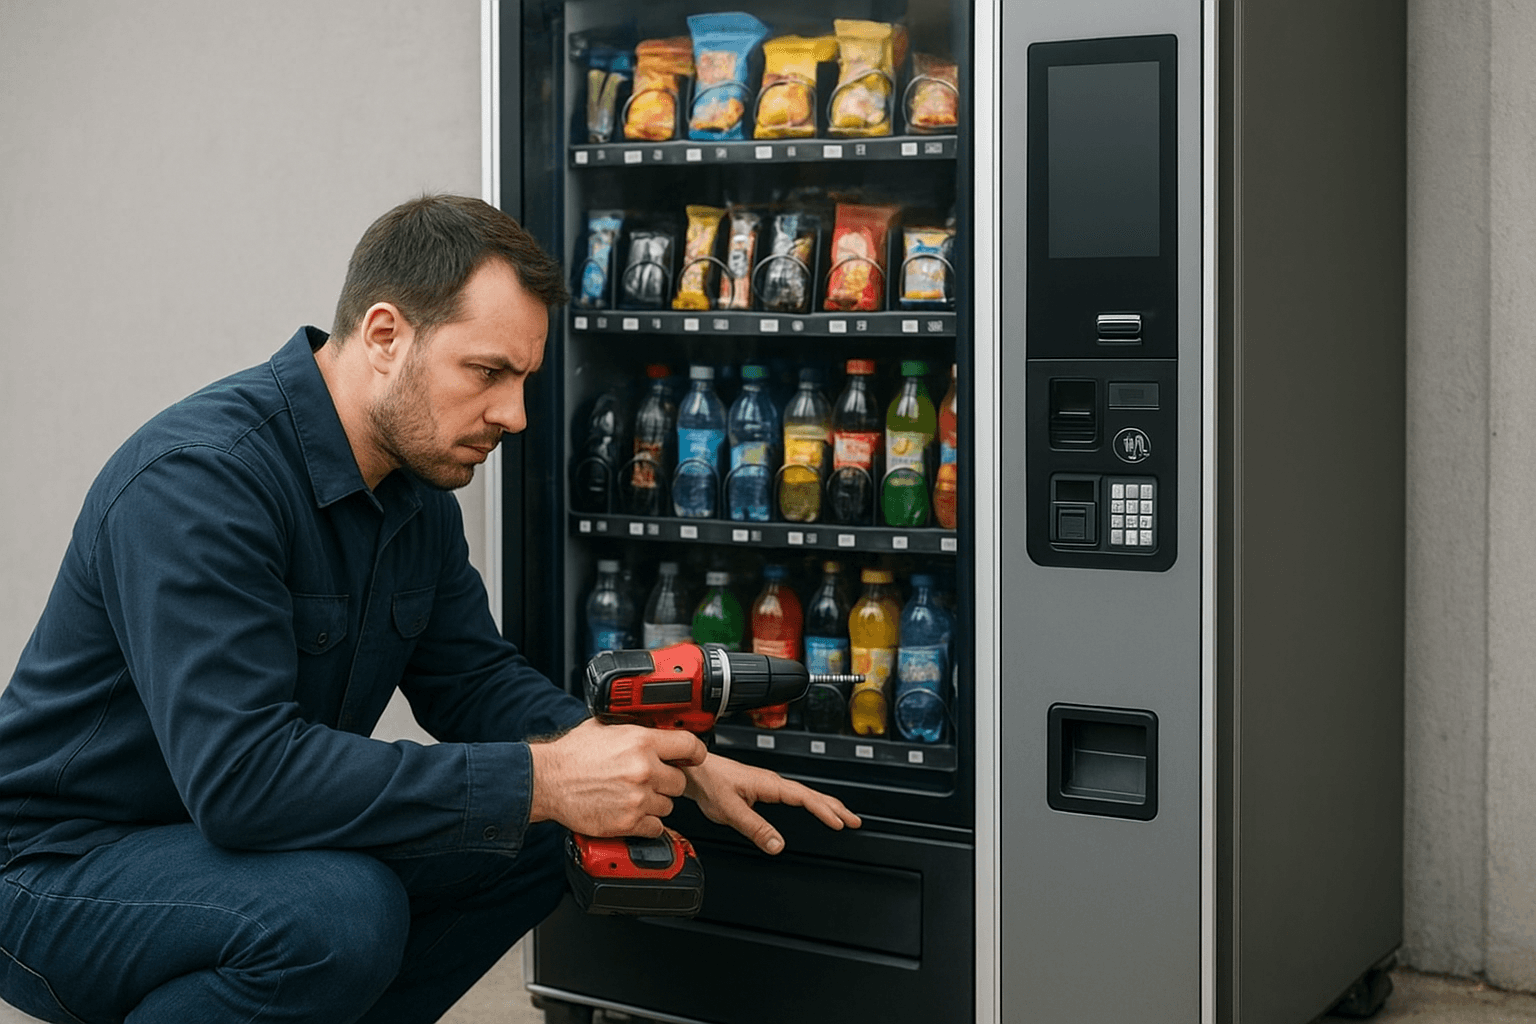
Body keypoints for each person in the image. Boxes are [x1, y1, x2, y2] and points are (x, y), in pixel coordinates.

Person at [0, 194, 860, 1024]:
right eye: (486, 372)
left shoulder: (413, 493)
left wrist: (653, 759)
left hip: (225, 849)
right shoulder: (199, 484)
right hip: (60, 866)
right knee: (336, 912)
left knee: (542, 832)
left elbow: (472, 679)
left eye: (522, 378)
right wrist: (549, 777)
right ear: (384, 335)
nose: (514, 415)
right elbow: (244, 781)